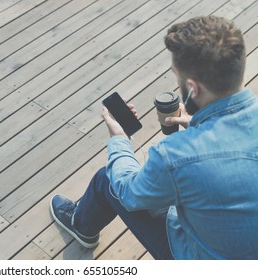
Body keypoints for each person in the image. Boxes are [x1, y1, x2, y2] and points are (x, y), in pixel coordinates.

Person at [50, 16, 258, 259]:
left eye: (176, 75)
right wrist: (203, 124)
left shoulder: (175, 155)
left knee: (109, 177)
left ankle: (81, 225)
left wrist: (119, 140)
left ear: (193, 89)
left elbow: (130, 195)